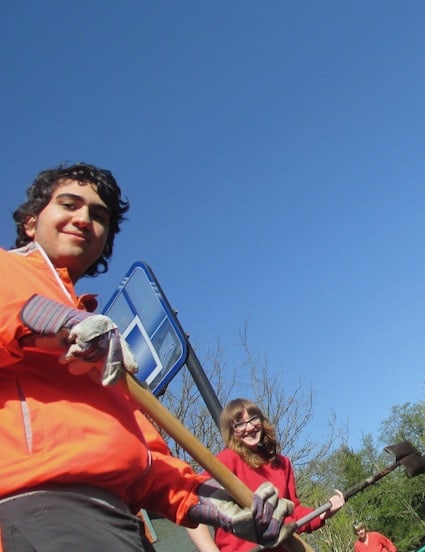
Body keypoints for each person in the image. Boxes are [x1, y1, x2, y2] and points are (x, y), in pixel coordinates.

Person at [0, 163, 294, 551]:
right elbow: (14, 311)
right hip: (46, 508)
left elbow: (149, 461)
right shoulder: (12, 272)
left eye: (98, 215)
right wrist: (64, 322)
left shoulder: (103, 342)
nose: (84, 219)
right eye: (69, 204)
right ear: (31, 221)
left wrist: (216, 504)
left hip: (121, 518)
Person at [187, 398, 346, 552]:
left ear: (262, 421)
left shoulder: (282, 463)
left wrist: (323, 513)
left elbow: (293, 512)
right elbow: (193, 505)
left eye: (253, 419)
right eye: (240, 424)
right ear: (231, 431)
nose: (249, 428)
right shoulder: (227, 460)